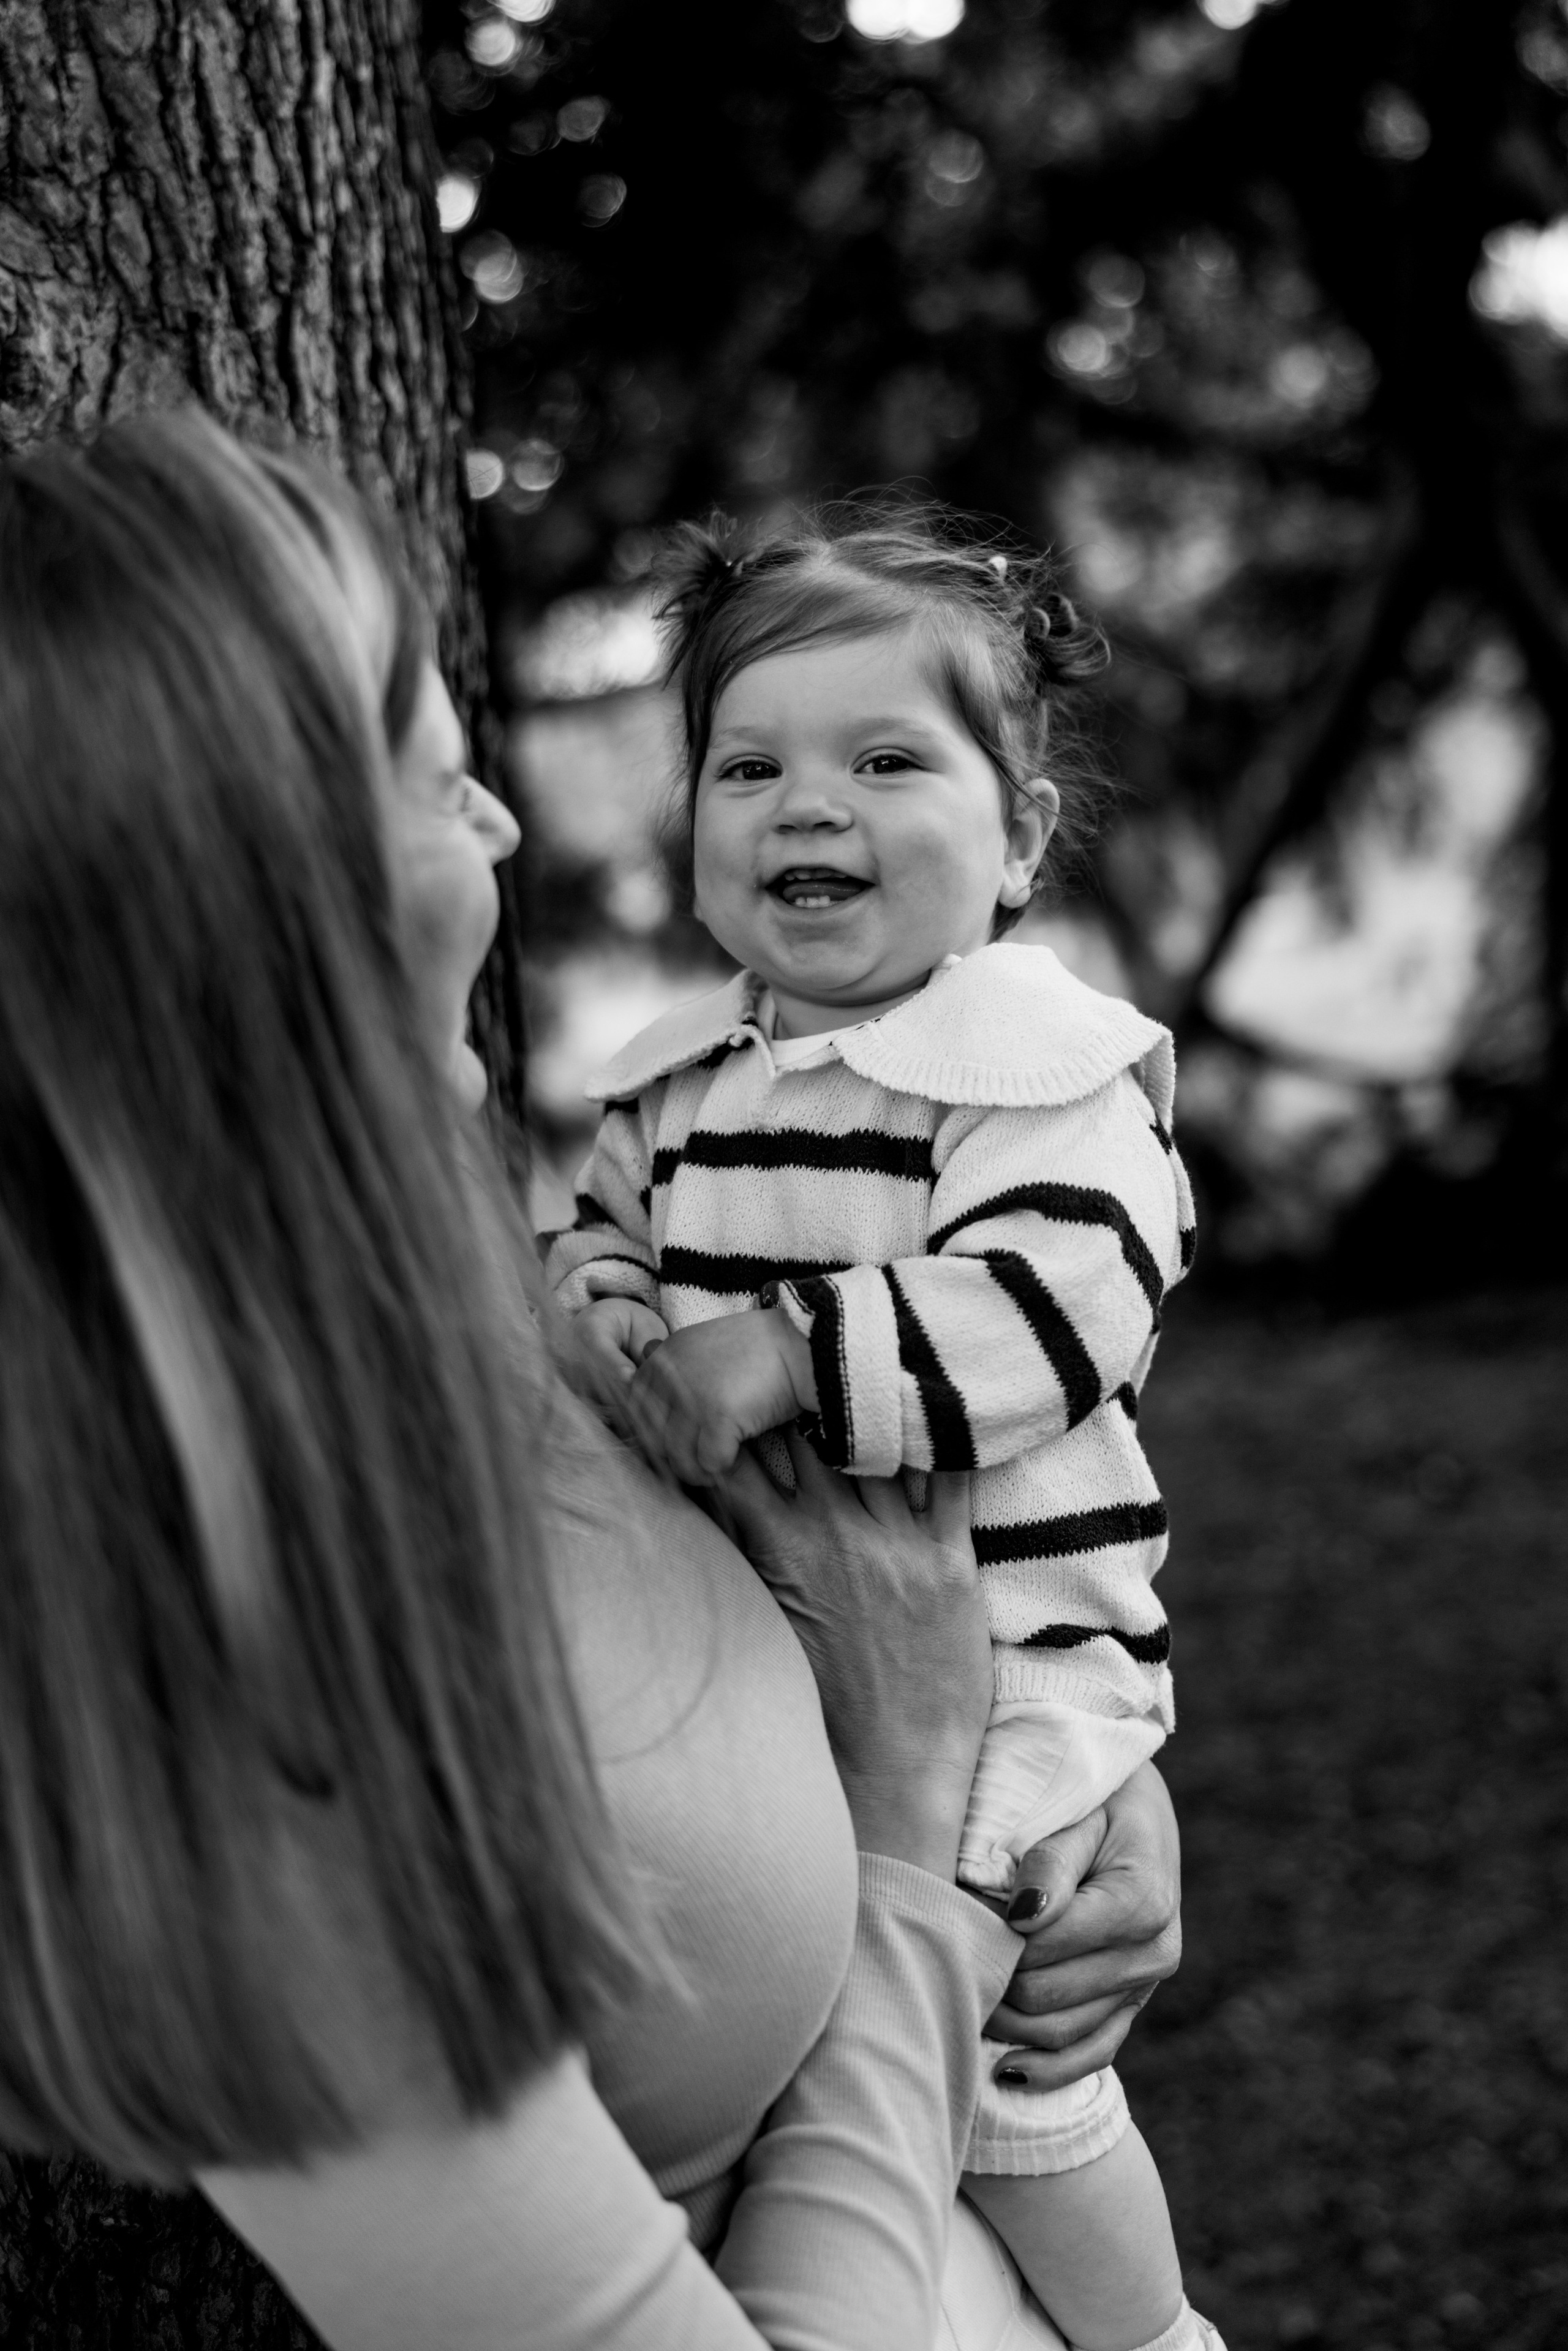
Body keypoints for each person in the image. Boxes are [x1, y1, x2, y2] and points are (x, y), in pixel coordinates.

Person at [0, 412, 1183, 2351]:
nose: (512, 831)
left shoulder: (485, 1308)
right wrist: (917, 1857)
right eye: (440, 778)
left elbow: (1016, 1400)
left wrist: (1083, 1784)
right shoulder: (219, 1705)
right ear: (250, 905)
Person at [545, 505, 1215, 2351]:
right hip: (782, 1658)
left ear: (1019, 842)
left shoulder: (1041, 1075)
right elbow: (598, 1247)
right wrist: (608, 1319)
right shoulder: (684, 1079)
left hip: (1012, 1663)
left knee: (1008, 2070)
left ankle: (1148, 2331)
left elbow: (1060, 1307)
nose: (806, 806)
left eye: (885, 760)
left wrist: (784, 1350)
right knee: (800, 2019)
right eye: (749, 764)